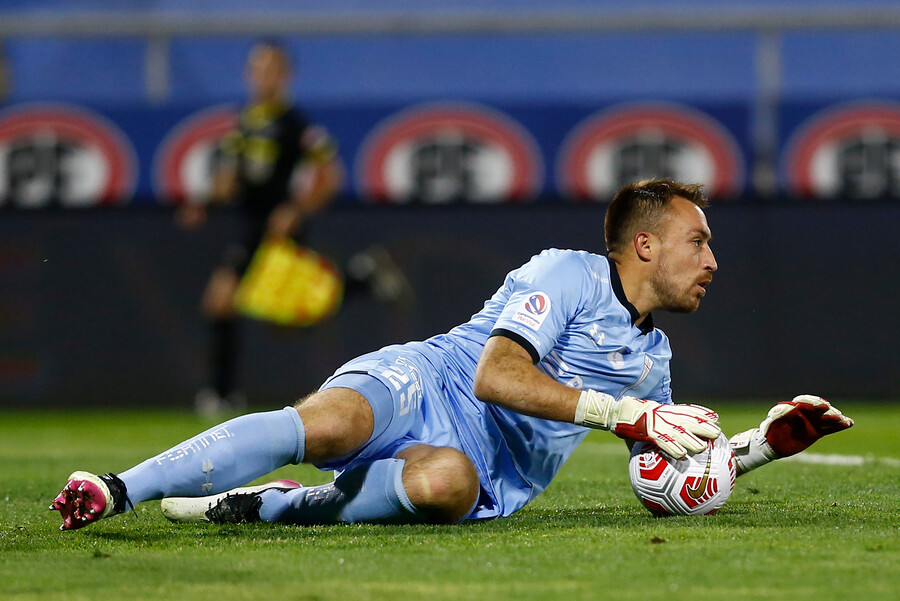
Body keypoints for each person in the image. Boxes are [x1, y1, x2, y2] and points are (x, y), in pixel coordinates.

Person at [52, 179, 853, 530]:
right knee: (331, 423)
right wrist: (624, 412)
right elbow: (494, 375)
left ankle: (269, 505)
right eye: (698, 242)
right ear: (644, 245)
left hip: (491, 471)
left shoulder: (653, 361)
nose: (713, 261)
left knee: (444, 485)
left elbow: (665, 481)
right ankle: (118, 488)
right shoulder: (564, 273)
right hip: (427, 380)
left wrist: (760, 447)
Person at [179, 40, 408, 416]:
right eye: (257, 68)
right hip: (249, 223)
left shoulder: (295, 123)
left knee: (221, 302)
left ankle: (220, 394)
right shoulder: (245, 122)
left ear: (286, 75)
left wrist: (296, 209)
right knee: (292, 310)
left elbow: (330, 175)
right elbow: (231, 179)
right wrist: (204, 202)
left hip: (273, 229)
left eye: (271, 69)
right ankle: (361, 277)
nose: (262, 76)